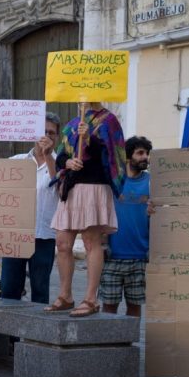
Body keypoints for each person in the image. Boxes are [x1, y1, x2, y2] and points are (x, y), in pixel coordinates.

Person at [47, 102, 125, 317]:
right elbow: (61, 155)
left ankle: (91, 299)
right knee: (62, 244)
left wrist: (90, 138)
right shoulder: (72, 124)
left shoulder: (109, 120)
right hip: (71, 188)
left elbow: (114, 155)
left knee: (91, 243)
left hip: (94, 187)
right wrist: (68, 162)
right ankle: (65, 296)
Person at [0, 113, 61, 304]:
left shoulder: (61, 164)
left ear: (56, 138)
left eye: (51, 133)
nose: (47, 136)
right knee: (9, 290)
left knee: (40, 291)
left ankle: (35, 335)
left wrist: (49, 157)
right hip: (15, 236)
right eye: (43, 131)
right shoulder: (16, 160)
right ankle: (10, 335)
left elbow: (61, 189)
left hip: (44, 237)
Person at [101, 136, 151, 318]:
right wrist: (102, 244)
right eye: (140, 153)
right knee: (108, 308)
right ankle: (108, 344)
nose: (145, 157)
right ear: (128, 157)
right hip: (112, 256)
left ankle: (131, 344)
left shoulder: (153, 183)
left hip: (140, 258)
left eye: (147, 153)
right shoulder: (113, 181)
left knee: (135, 308)